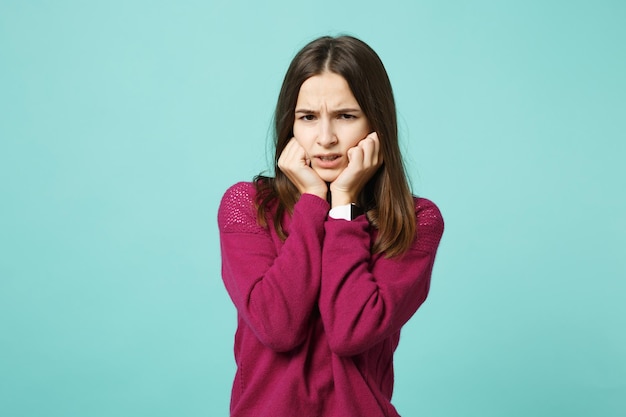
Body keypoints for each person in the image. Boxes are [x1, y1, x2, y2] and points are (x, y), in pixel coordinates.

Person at [218, 35, 444, 417]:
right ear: (290, 124)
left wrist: (345, 207)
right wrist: (311, 203)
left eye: (346, 116)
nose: (326, 139)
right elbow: (277, 327)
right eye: (308, 117)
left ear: (376, 121)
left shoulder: (413, 221)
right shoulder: (249, 208)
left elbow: (349, 332)